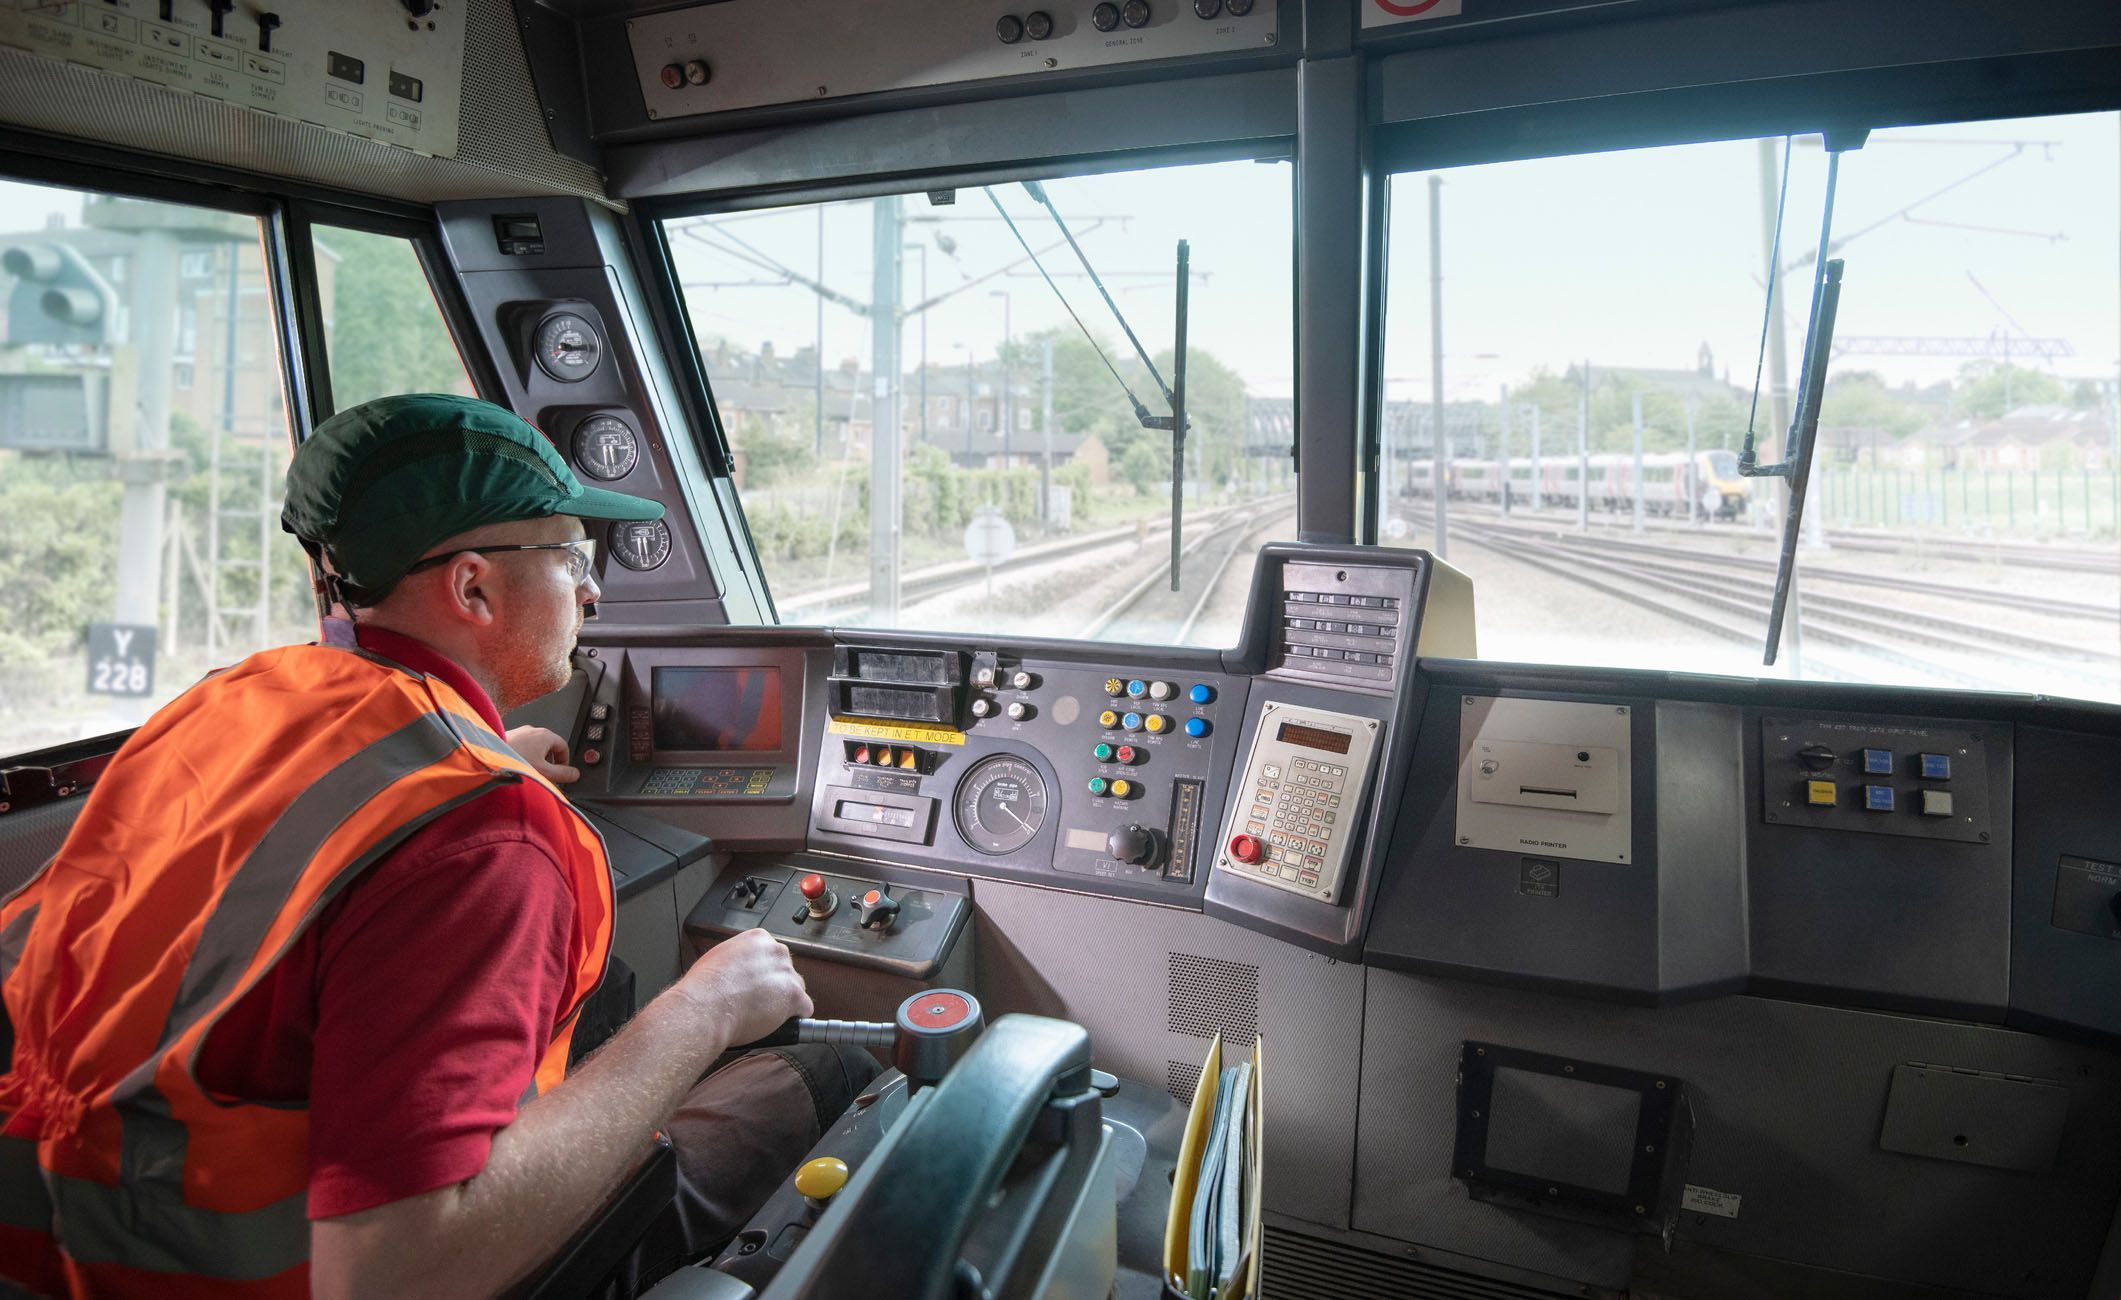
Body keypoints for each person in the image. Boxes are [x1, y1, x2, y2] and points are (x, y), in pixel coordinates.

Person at [0, 395, 872, 1300]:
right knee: (825, 1068)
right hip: (290, 1276)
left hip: (72, 1231)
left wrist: (493, 754)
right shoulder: (481, 836)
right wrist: (702, 1012)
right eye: (571, 555)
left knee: (603, 987)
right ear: (472, 588)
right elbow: (388, 1277)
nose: (592, 588)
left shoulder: (232, 703)